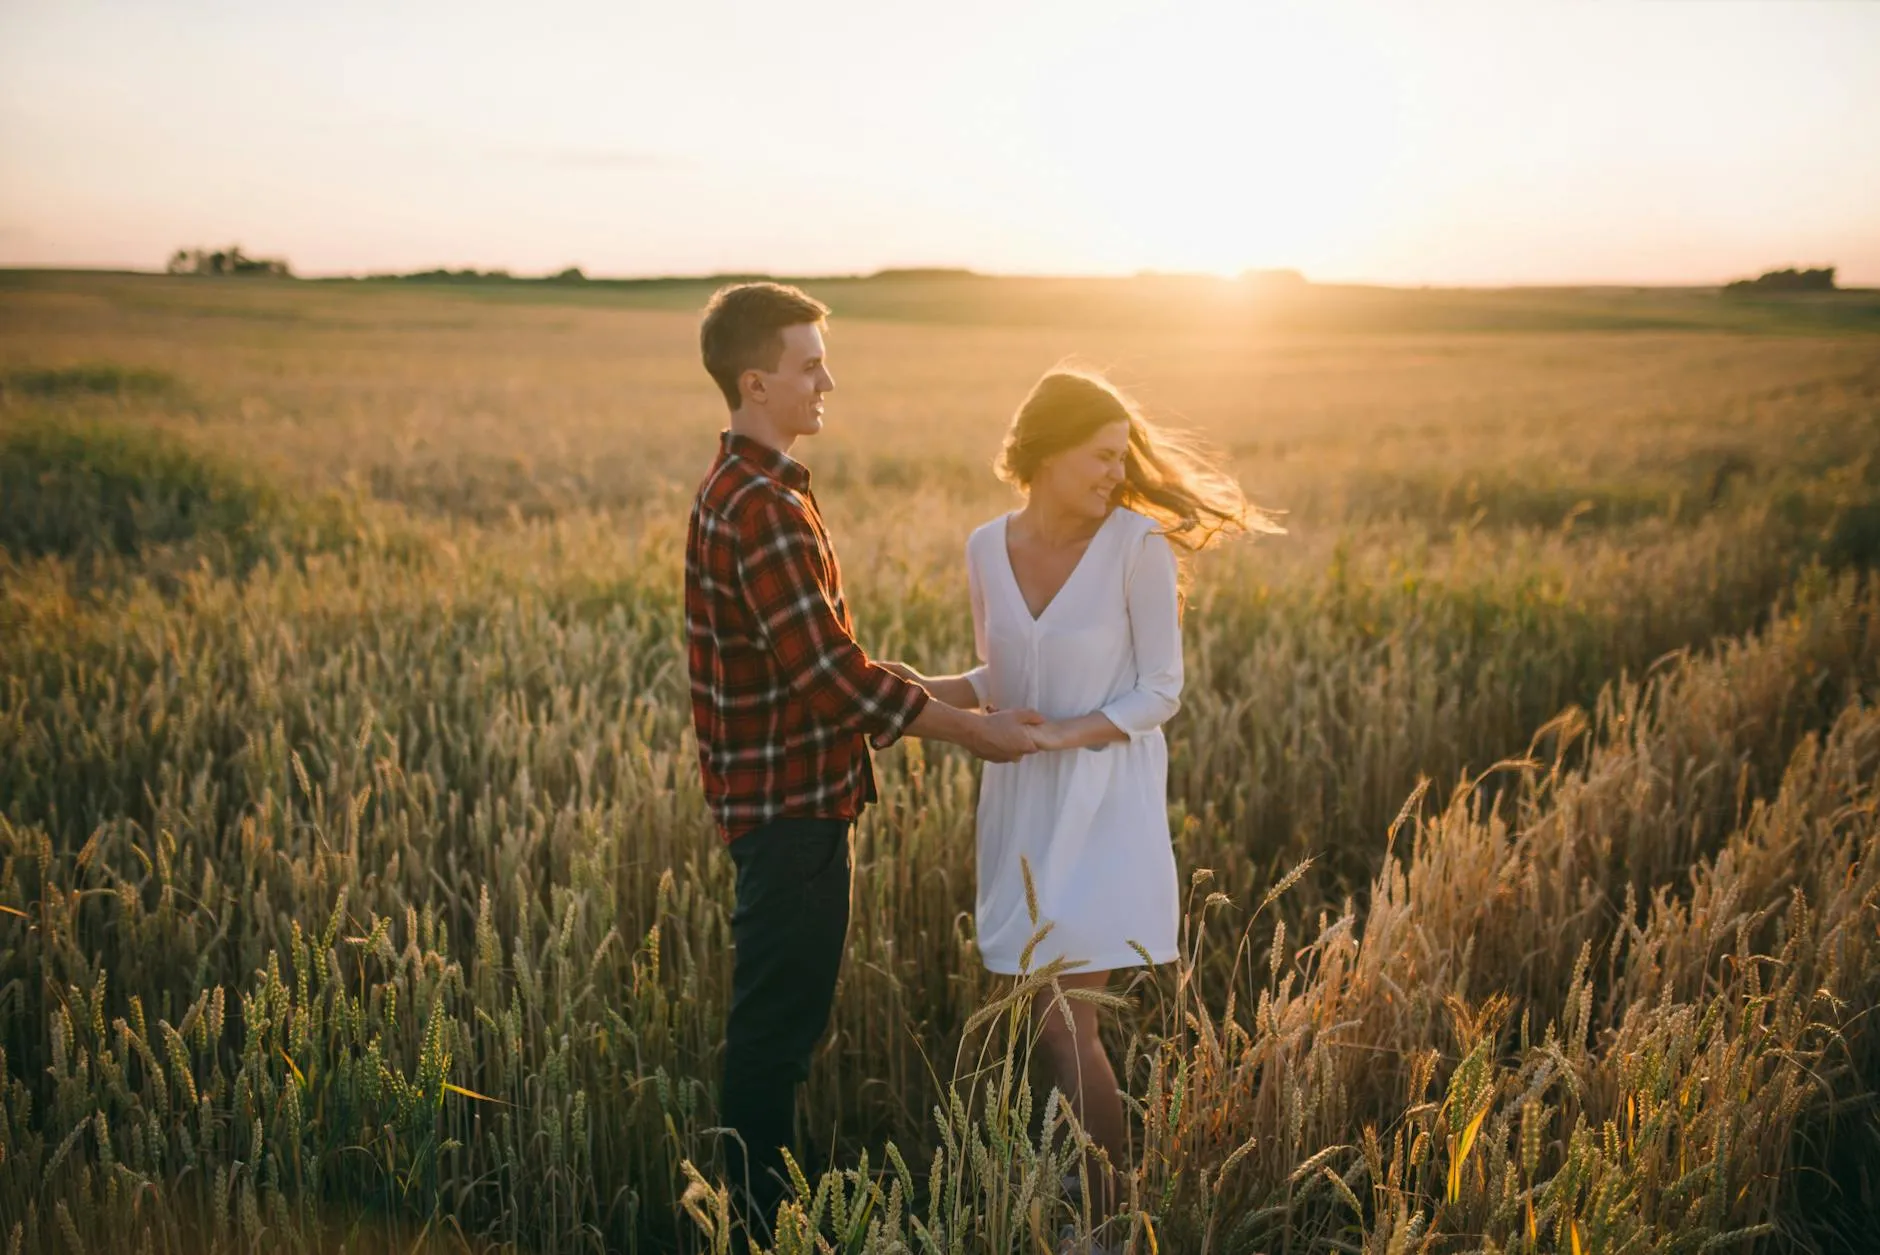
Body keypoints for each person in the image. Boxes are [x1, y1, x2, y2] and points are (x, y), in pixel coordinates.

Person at [685, 281, 1043, 1239]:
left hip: (784, 799)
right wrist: (975, 732)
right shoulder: (762, 506)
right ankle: (759, 1228)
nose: (827, 380)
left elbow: (819, 661)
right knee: (775, 1040)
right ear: (756, 383)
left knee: (774, 1032)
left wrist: (956, 687)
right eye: (809, 365)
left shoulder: (747, 492)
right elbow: (829, 683)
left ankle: (757, 1220)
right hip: (793, 810)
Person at [884, 367, 1278, 1235]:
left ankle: (1110, 1219)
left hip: (1103, 800)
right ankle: (1083, 1178)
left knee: (1066, 1026)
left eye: (1122, 457)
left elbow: (1160, 691)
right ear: (1045, 452)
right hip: (1021, 800)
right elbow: (1003, 678)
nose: (1114, 472)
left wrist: (1061, 736)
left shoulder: (1137, 546)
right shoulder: (986, 545)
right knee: (1042, 1013)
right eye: (1101, 456)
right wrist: (915, 690)